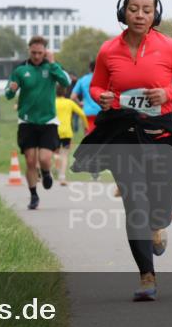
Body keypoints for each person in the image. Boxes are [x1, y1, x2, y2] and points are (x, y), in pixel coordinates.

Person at [72, 0, 172, 301]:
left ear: (155, 15)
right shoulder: (108, 50)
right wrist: (100, 97)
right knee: (135, 205)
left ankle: (158, 225)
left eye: (147, 10)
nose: (140, 15)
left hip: (160, 133)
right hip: (122, 133)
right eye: (134, 9)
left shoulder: (170, 48)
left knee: (157, 210)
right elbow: (96, 86)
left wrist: (168, 94)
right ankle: (147, 276)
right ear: (124, 13)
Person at [6, 36, 71, 210]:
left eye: (40, 53)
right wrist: (11, 90)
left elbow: (66, 82)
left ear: (45, 52)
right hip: (27, 120)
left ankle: (47, 171)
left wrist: (52, 64)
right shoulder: (20, 70)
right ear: (29, 50)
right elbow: (8, 93)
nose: (36, 56)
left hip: (48, 120)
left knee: (44, 158)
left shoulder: (51, 67)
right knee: (30, 160)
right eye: (33, 52)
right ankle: (34, 195)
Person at [55, 85, 88, 185]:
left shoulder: (52, 102)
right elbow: (82, 114)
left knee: (55, 153)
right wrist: (86, 126)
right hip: (67, 132)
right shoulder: (69, 103)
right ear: (65, 92)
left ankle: (53, 172)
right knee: (64, 154)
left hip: (54, 131)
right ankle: (62, 177)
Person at [71, 60, 101, 132]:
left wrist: (80, 103)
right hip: (101, 112)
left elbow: (73, 96)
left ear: (89, 68)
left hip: (87, 112)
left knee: (88, 137)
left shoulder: (82, 80)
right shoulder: (103, 78)